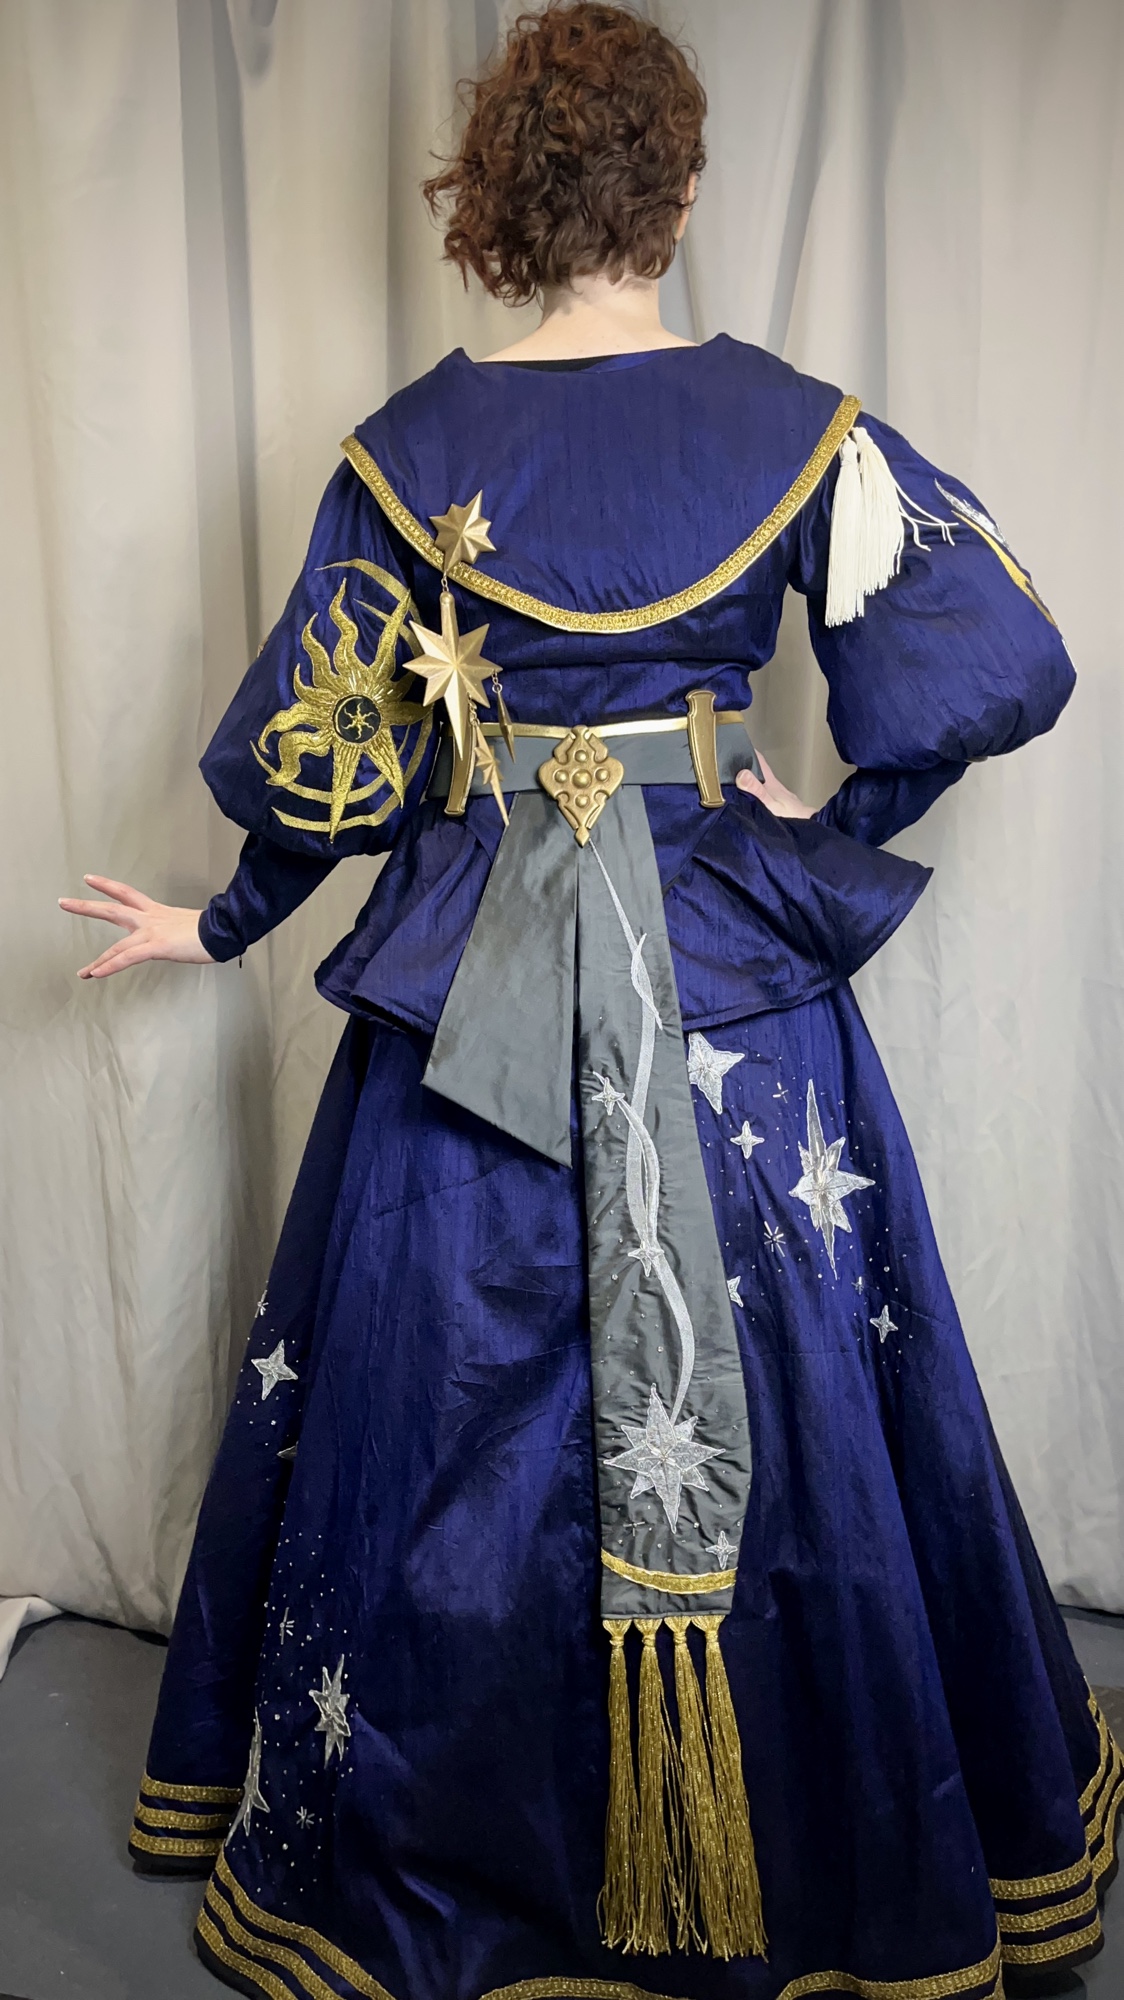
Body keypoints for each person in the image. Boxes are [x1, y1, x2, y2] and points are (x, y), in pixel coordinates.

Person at [61, 6, 1117, 1997]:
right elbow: (998, 650)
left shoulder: (407, 452)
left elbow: (333, 758)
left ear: (500, 206)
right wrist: (842, 811)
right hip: (728, 980)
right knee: (799, 1403)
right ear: (678, 190)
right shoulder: (795, 427)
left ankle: (443, 1873)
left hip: (466, 997)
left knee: (437, 1419)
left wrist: (225, 921)